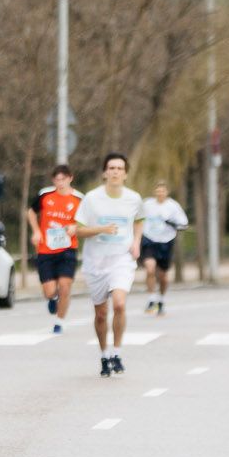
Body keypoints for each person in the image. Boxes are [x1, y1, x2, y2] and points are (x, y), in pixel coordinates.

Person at [72, 152, 145, 377]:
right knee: (101, 314)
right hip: (95, 262)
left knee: (120, 304)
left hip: (121, 260)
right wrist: (101, 229)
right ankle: (104, 355)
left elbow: (140, 220)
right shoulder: (92, 199)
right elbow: (78, 230)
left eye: (119, 169)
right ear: (105, 173)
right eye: (111, 168)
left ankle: (117, 352)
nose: (115, 172)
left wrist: (136, 242)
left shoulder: (134, 198)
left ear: (125, 174)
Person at [25, 164, 83, 334]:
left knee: (65, 286)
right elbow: (31, 212)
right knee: (49, 290)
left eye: (63, 179)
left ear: (70, 179)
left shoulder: (79, 199)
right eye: (57, 179)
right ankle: (53, 298)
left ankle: (59, 321)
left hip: (68, 248)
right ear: (53, 180)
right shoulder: (45, 194)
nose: (60, 183)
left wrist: (75, 226)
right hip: (46, 249)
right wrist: (36, 231)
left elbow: (87, 220)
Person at [137, 181, 189, 315]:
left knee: (163, 276)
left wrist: (173, 224)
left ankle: (161, 299)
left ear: (167, 192)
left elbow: (184, 224)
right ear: (155, 192)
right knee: (150, 268)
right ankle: (151, 299)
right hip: (149, 240)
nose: (160, 193)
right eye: (158, 191)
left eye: (163, 191)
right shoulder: (147, 204)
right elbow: (137, 217)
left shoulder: (173, 206)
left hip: (166, 242)